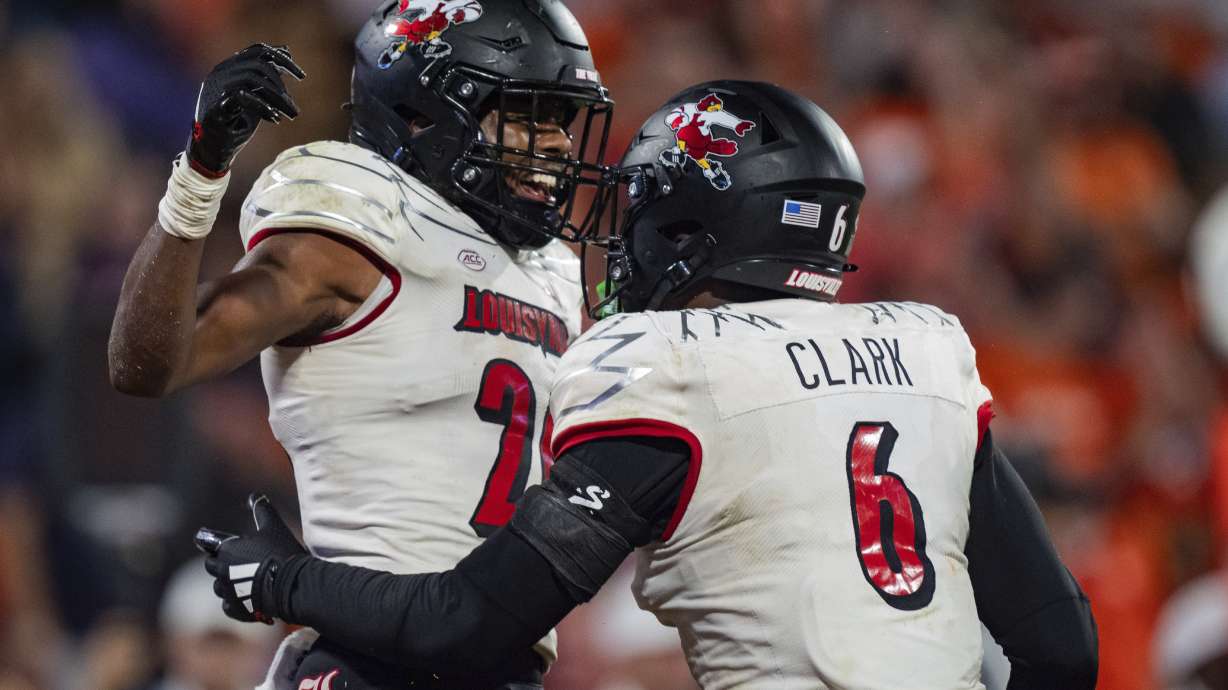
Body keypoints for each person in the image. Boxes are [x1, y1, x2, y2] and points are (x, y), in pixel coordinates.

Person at [197, 81, 1098, 689]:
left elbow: (466, 622)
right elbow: (1062, 651)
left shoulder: (667, 370)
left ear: (684, 228)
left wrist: (285, 580)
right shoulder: (928, 348)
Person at [109, 0, 615, 686]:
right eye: (527, 114)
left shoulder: (551, 266)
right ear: (424, 113)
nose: (555, 143)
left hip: (494, 661)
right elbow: (147, 364)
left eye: (561, 118)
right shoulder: (360, 226)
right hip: (367, 658)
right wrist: (198, 178)